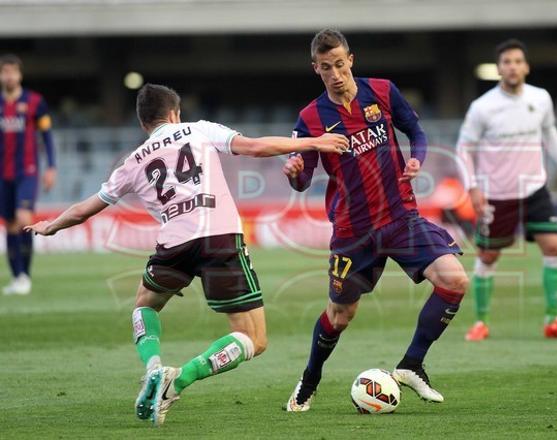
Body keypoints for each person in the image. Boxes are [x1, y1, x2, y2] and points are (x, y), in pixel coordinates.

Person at [25, 83, 349, 426]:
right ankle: (176, 380)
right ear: (174, 114)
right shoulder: (199, 130)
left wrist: (52, 226)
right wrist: (313, 142)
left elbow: (86, 208)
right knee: (255, 339)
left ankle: (152, 366)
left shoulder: (133, 161)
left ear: (143, 123)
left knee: (144, 306)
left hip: (174, 243)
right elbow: (254, 147)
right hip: (218, 238)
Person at [282, 29, 470, 412]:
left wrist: (416, 156)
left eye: (339, 64)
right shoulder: (311, 117)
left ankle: (412, 364)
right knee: (341, 314)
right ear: (315, 68)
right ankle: (310, 378)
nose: (335, 73)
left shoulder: (383, 91)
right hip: (353, 231)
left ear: (350, 59)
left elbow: (415, 130)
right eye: (326, 67)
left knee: (454, 280)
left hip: (401, 216)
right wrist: (295, 171)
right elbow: (303, 180)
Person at [457, 39, 557, 341]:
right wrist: (472, 188)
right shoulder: (483, 107)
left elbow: (550, 133)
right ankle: (481, 323)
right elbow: (464, 149)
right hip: (497, 195)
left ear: (525, 66)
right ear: (499, 68)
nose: (512, 66)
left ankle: (554, 320)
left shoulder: (540, 99)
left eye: (517, 61)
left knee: (554, 247)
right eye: (506, 62)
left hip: (534, 189)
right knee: (488, 257)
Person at [0, 54, 56, 295]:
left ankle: (25, 277)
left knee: (24, 219)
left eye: (12, 71)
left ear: (19, 75)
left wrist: (51, 167)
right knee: (10, 225)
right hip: (3, 174)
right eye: (5, 71)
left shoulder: (35, 102)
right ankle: (17, 277)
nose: (9, 76)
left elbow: (47, 136)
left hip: (27, 171)